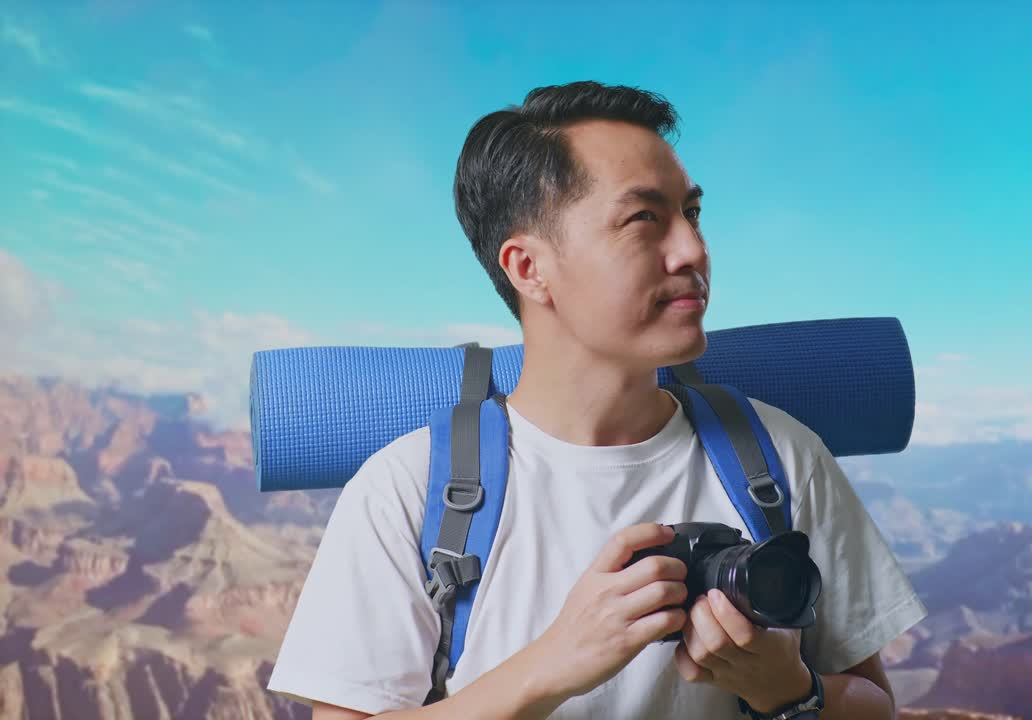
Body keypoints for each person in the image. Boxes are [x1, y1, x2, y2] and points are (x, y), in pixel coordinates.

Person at [266, 80, 927, 720]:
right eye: (645, 219)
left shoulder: (779, 456)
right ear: (529, 268)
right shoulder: (406, 491)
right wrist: (552, 665)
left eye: (692, 214)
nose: (694, 250)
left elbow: (875, 705)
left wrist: (788, 688)